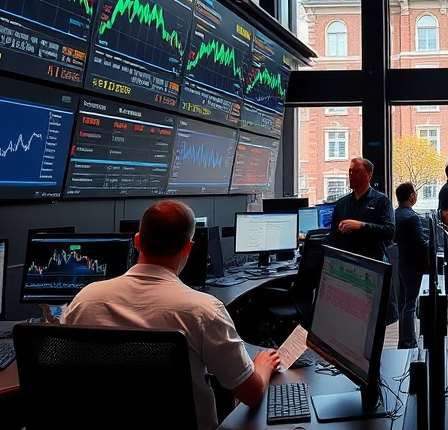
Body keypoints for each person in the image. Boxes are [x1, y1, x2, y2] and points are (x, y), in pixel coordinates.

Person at [63, 201, 280, 430]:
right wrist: (263, 365)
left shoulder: (85, 300)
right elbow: (251, 394)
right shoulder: (203, 311)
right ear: (188, 248)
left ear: (137, 241)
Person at [329, 157, 396, 263]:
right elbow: (333, 237)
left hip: (372, 263)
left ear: (369, 175)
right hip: (346, 263)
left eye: (356, 171)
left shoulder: (381, 201)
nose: (351, 174)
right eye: (350, 171)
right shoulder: (341, 203)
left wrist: (361, 226)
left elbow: (390, 232)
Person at [394, 182, 429, 349]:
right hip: (414, 266)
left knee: (405, 303)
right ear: (411, 196)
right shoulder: (412, 217)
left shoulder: (397, 213)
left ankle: (404, 341)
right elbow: (421, 243)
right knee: (410, 305)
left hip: (402, 263)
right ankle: (409, 342)